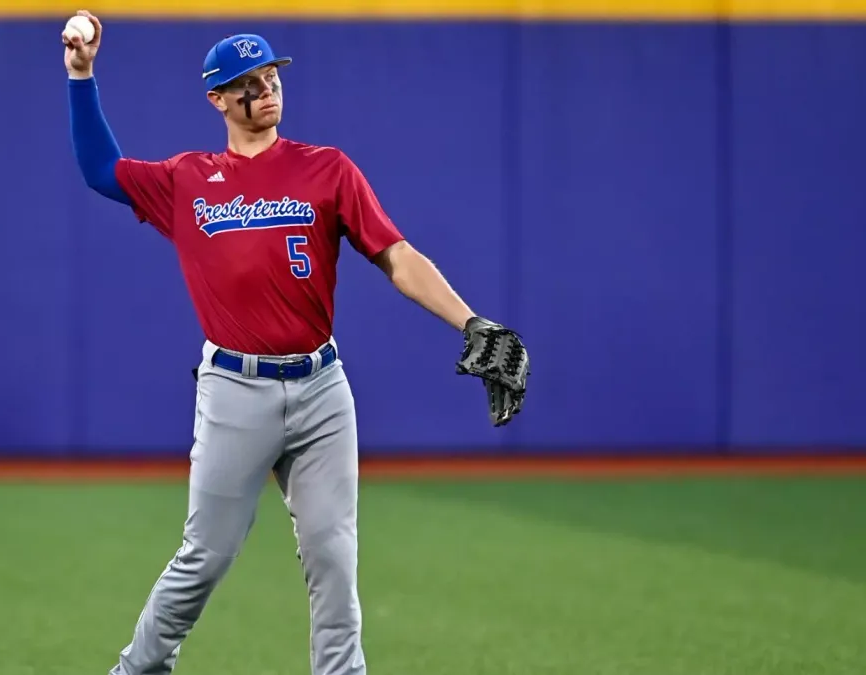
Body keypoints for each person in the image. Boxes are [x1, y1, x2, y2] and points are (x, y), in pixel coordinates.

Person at [63, 11, 527, 675]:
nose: (266, 88)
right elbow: (100, 170)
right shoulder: (186, 180)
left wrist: (471, 320)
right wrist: (81, 75)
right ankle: (137, 667)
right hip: (234, 388)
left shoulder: (326, 170)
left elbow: (395, 254)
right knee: (207, 554)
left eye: (271, 75)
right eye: (247, 82)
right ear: (217, 100)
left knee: (333, 553)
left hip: (320, 388)